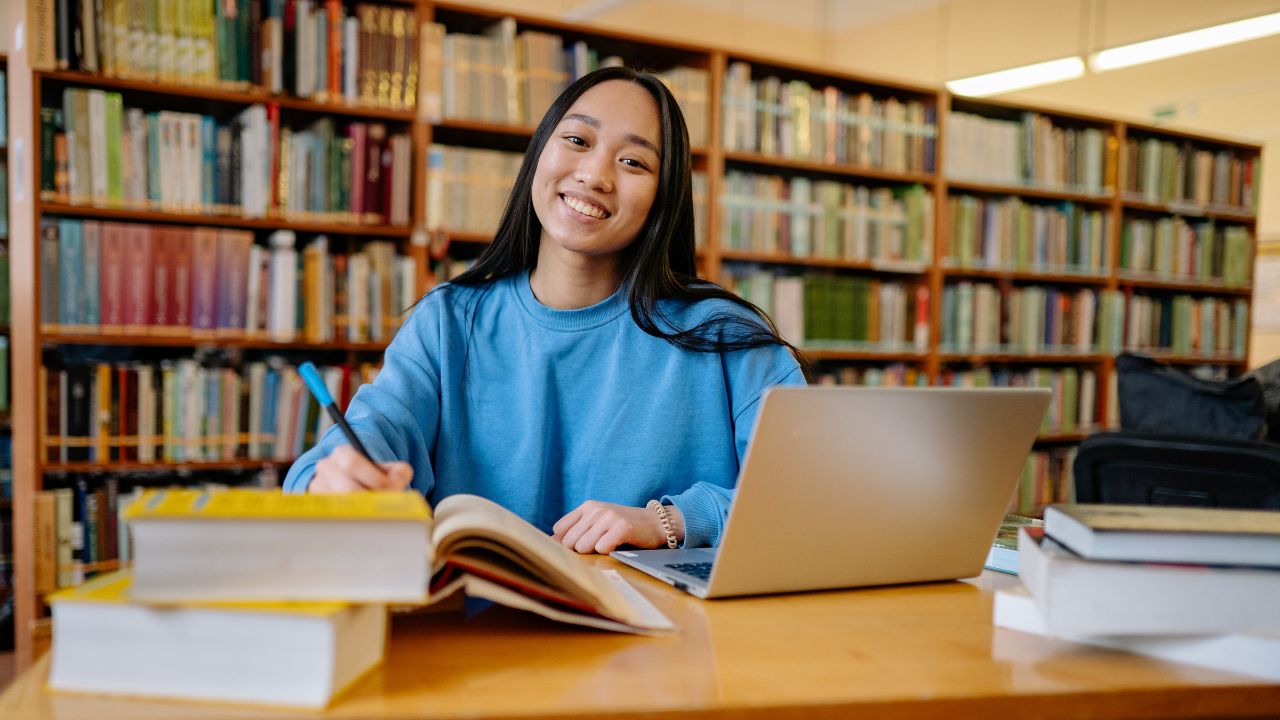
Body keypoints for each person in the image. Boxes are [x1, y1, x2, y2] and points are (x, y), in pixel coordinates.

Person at [283, 66, 805, 553]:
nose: (595, 175)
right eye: (577, 141)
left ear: (663, 197)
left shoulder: (727, 337)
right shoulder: (447, 323)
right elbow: (377, 429)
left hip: (668, 643)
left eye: (633, 162)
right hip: (478, 640)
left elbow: (810, 498)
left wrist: (671, 521)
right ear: (539, 154)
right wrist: (334, 476)